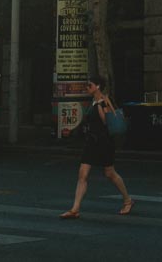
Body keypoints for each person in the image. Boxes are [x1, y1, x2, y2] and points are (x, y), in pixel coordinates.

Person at [60, 76, 132, 217]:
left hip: (104, 142)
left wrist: (100, 104)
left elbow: (106, 121)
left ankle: (127, 200)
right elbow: (88, 121)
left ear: (98, 86)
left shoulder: (105, 101)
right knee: (83, 174)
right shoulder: (92, 102)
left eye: (89, 85)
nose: (87, 87)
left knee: (110, 173)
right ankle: (75, 209)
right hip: (91, 142)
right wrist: (73, 131)